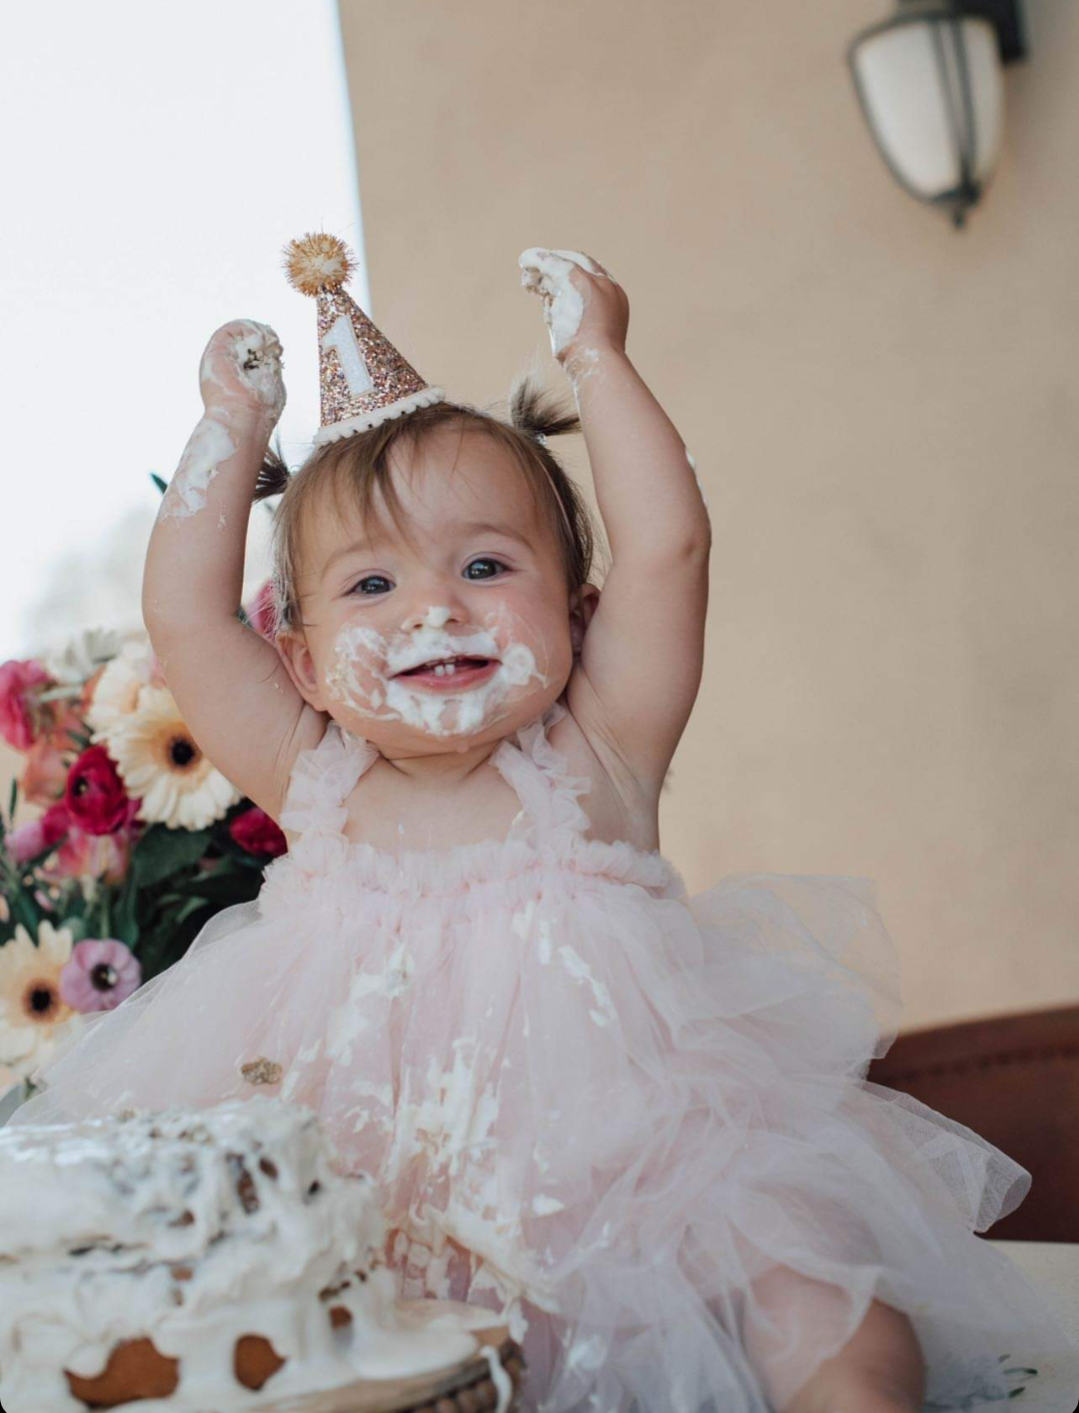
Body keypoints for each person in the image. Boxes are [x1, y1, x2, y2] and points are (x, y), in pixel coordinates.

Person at [9, 236, 1074, 1413]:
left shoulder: (598, 749)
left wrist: (599, 358)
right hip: (383, 1194)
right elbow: (189, 619)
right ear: (300, 663)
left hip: (632, 1177)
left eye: (484, 563)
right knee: (277, 1321)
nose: (435, 606)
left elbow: (669, 547)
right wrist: (229, 426)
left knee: (802, 1270)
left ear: (575, 610)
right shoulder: (317, 780)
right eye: (372, 586)